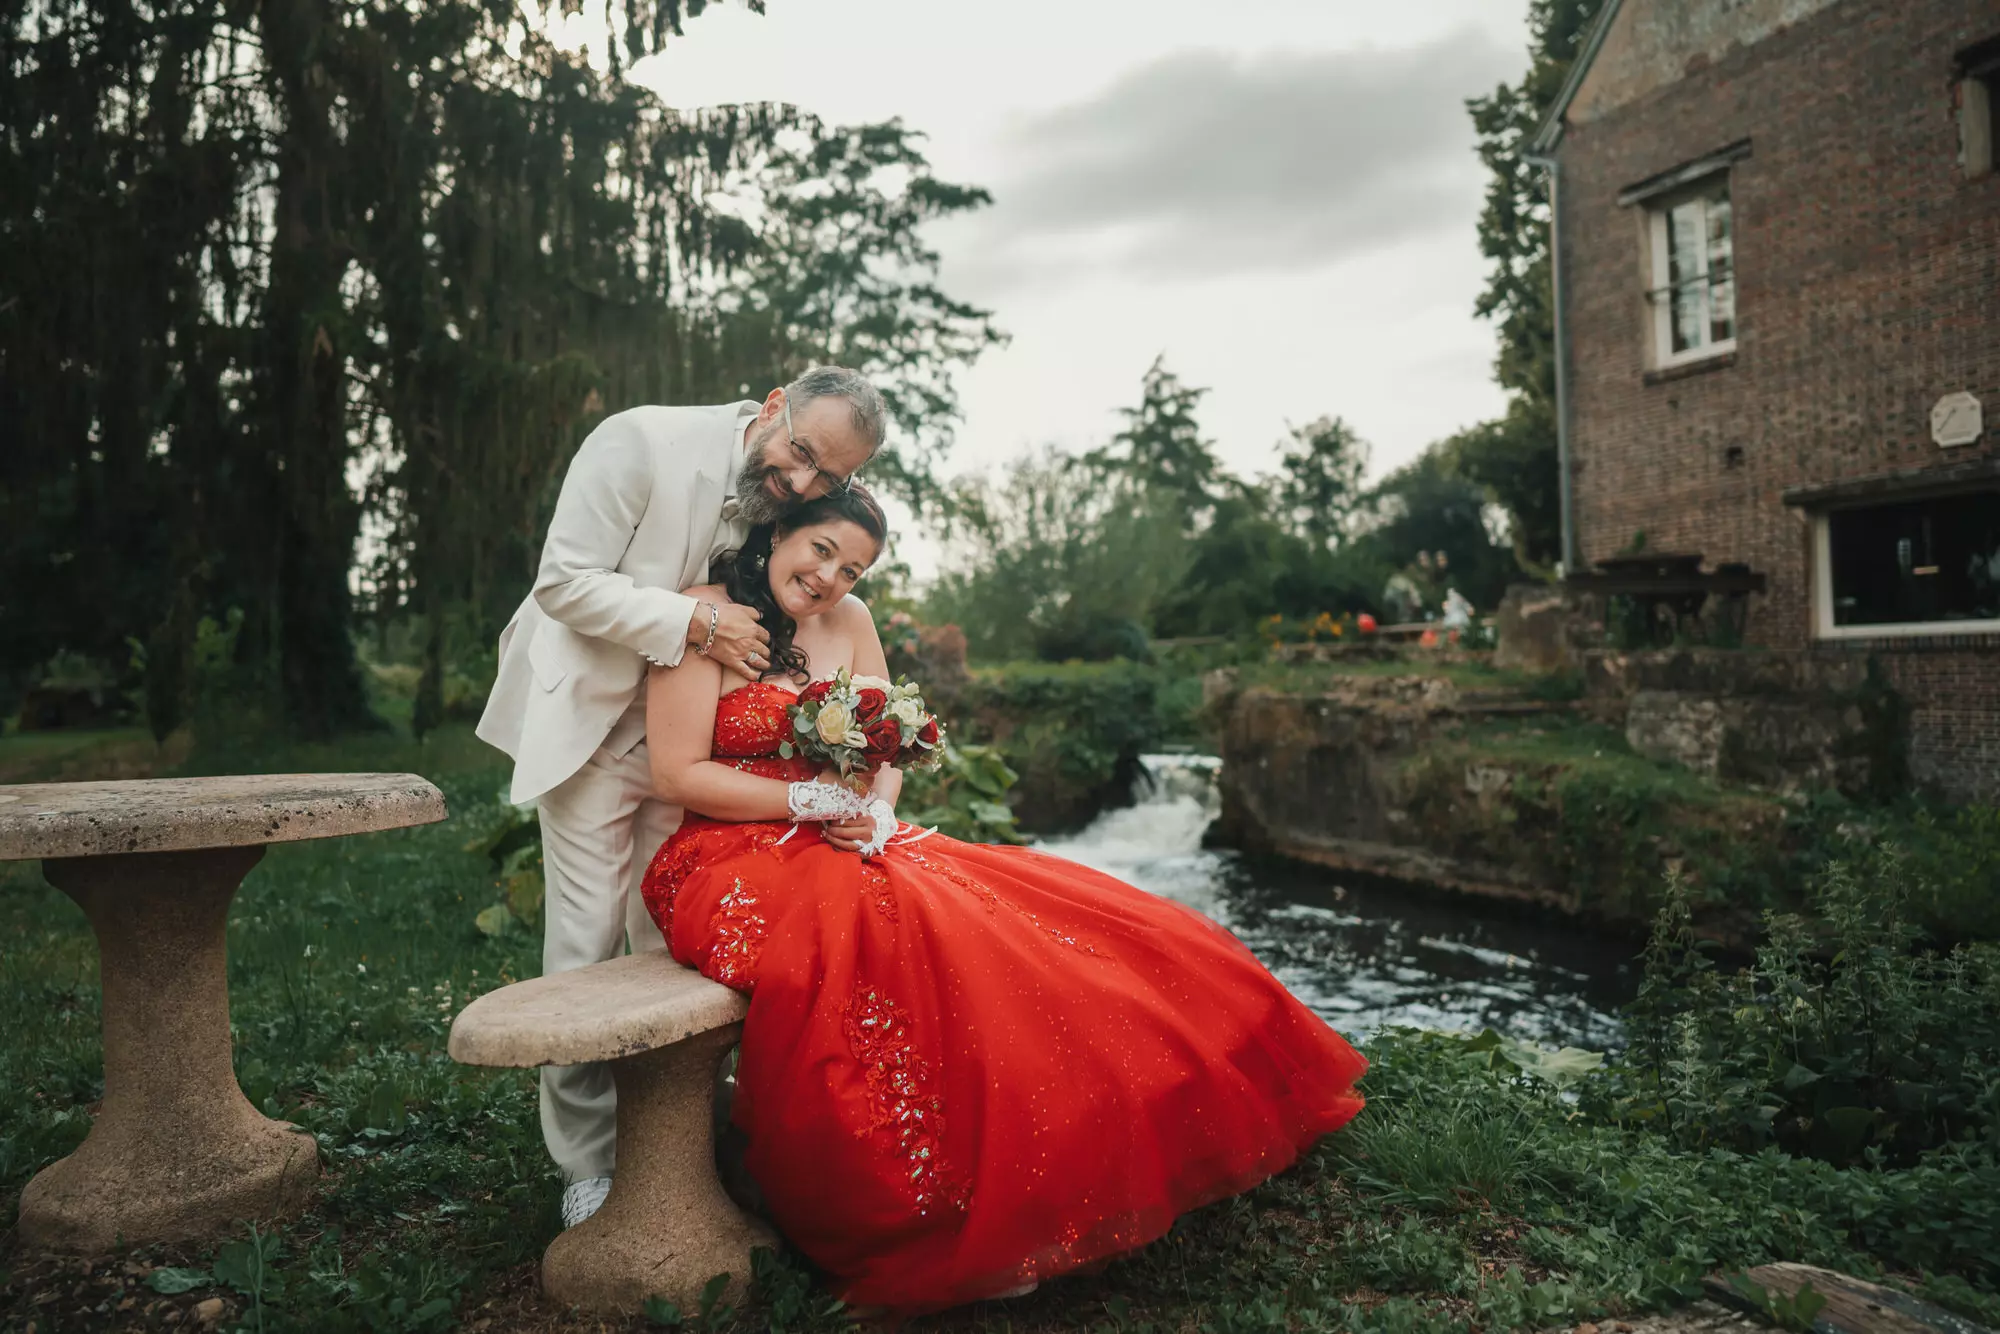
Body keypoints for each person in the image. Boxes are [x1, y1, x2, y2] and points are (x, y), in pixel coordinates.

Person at [638, 484, 1368, 1315]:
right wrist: (809, 804)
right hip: (727, 851)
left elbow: (888, 739)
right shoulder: (700, 615)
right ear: (779, 534)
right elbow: (677, 773)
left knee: (1001, 908)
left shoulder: (854, 622)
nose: (833, 578)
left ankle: (1078, 1138)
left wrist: (875, 810)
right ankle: (912, 1202)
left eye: (854, 568)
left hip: (848, 834)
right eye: (822, 551)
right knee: (873, 928)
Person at [475, 367, 886, 1228]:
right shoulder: (639, 442)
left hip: (700, 740)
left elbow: (808, 580)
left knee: (673, 941)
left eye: (826, 478)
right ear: (774, 405)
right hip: (592, 721)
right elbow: (563, 583)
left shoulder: (792, 494)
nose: (803, 484)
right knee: (586, 944)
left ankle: (682, 1140)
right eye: (800, 453)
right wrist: (697, 625)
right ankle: (587, 1166)